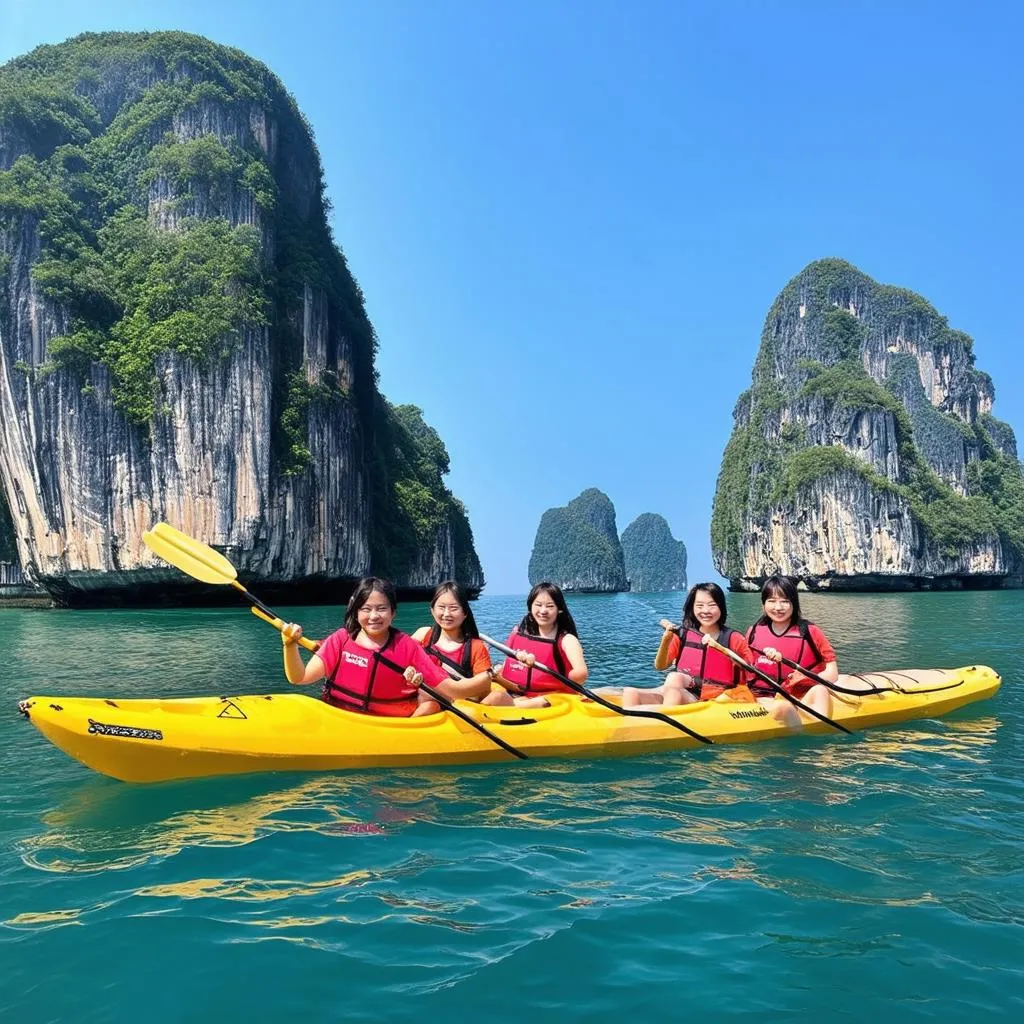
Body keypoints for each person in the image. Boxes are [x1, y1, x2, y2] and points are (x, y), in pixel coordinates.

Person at [281, 577, 449, 717]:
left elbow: (446, 689)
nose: (374, 616)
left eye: (382, 609)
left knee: (431, 705)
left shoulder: (407, 647)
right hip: (341, 718)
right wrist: (289, 646)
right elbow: (299, 678)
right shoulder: (340, 640)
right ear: (356, 613)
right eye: (366, 609)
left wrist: (422, 686)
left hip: (393, 726)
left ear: (393, 612)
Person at [623, 582, 754, 707]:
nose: (706, 610)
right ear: (692, 608)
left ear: (721, 607)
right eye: (699, 605)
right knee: (631, 693)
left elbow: (752, 672)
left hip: (717, 696)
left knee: (674, 690)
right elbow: (660, 666)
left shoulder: (734, 639)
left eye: (712, 605)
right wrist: (666, 640)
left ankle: (664, 725)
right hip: (682, 689)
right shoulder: (683, 635)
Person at [746, 574, 839, 727]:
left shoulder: (810, 631)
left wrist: (805, 680)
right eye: (771, 601)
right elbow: (746, 669)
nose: (778, 607)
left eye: (784, 601)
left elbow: (832, 673)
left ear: (794, 604)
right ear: (763, 604)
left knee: (820, 690)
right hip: (764, 696)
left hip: (802, 694)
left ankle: (818, 740)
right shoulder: (753, 631)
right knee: (782, 706)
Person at [482, 582, 588, 708]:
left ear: (559, 609)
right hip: (517, 690)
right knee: (491, 695)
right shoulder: (518, 632)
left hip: (551, 697)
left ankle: (511, 706)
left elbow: (581, 674)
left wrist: (545, 673)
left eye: (550, 606)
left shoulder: (567, 640)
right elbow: (507, 665)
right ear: (530, 606)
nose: (543, 611)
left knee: (499, 699)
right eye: (538, 605)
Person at [411, 581, 495, 702]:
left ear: (465, 613)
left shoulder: (475, 647)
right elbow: (400, 658)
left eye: (453, 608)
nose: (446, 614)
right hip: (425, 699)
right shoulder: (423, 635)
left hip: (458, 704)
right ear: (432, 610)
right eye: (441, 607)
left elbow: (484, 685)